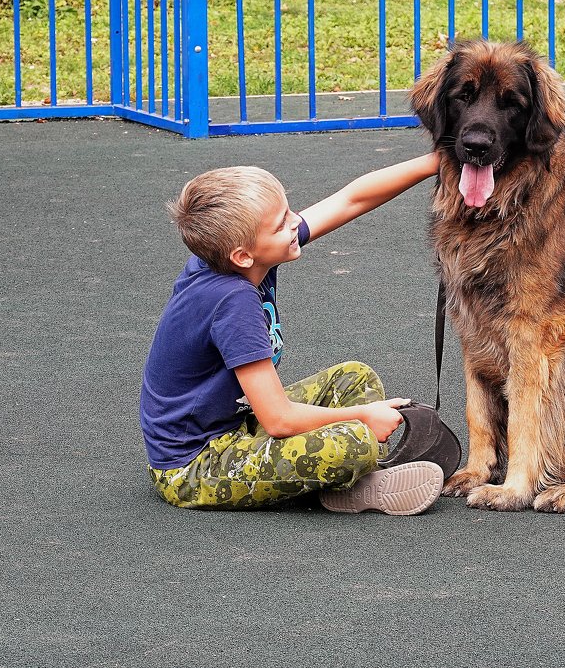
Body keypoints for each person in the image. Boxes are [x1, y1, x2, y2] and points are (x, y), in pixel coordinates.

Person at [140, 154, 443, 515]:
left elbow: (350, 200)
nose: (296, 222)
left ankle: (342, 479)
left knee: (352, 377)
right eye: (282, 224)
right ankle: (350, 480)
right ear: (242, 255)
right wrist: (363, 416)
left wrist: (436, 161)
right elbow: (279, 419)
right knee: (355, 440)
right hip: (194, 467)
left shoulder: (239, 257)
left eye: (289, 212)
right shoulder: (232, 301)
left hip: (236, 424)